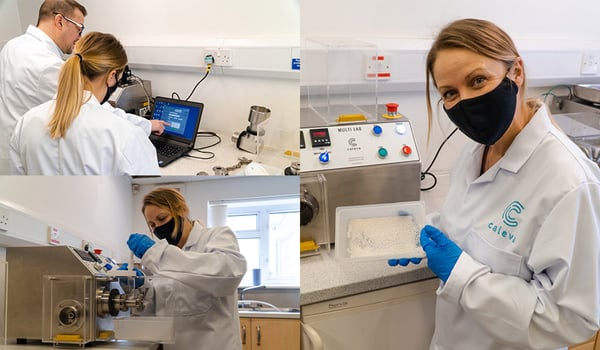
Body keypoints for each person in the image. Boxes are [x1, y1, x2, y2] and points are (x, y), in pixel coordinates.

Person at [389, 18, 600, 349]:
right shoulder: (475, 152)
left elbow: (572, 320)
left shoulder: (568, 182)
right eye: (450, 93)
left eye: (478, 80)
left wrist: (462, 276)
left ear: (515, 71)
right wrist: (423, 231)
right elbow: (471, 226)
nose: (466, 102)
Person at [0, 0, 167, 175]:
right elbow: (95, 109)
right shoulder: (48, 65)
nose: (79, 37)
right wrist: (146, 125)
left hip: (21, 150)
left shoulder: (12, 47)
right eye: (79, 29)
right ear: (59, 21)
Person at [125, 187, 247, 350]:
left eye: (162, 218)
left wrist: (158, 255)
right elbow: (157, 308)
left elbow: (228, 275)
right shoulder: (163, 257)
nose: (158, 228)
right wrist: (141, 286)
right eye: (152, 225)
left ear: (182, 210)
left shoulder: (216, 237)